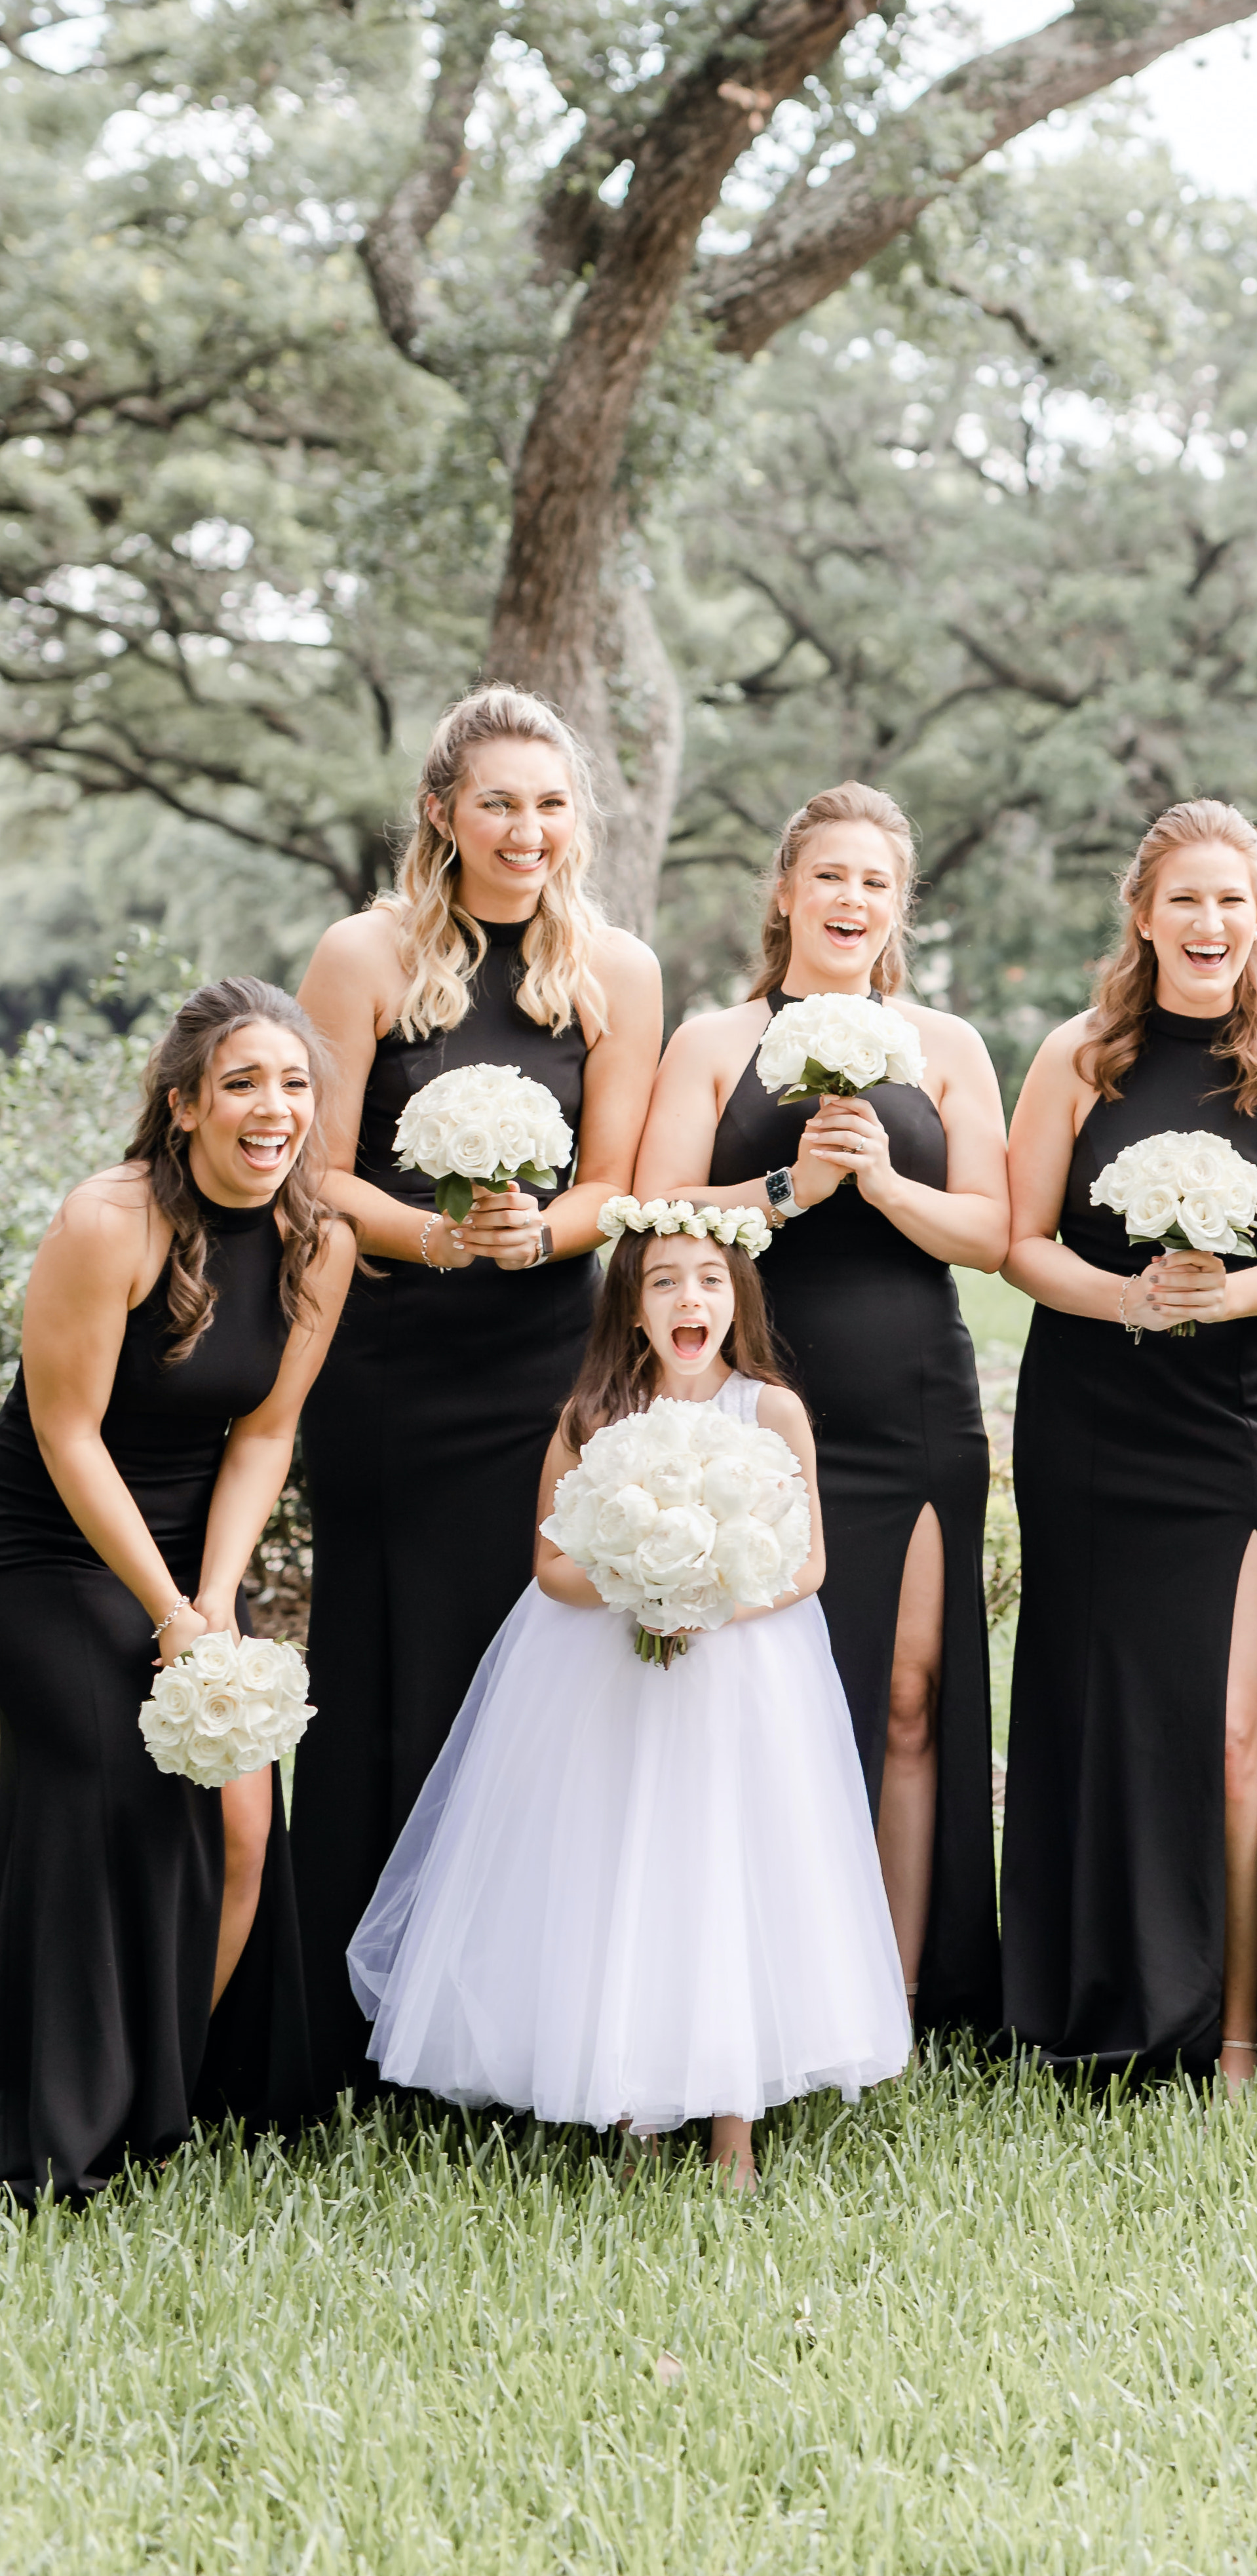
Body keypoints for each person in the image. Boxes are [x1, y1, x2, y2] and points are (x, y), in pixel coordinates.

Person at [347, 1202, 909, 2190]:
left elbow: (809, 1562)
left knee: (731, 1874)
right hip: (608, 1680)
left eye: (708, 1280)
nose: (689, 1298)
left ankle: (735, 2126)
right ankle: (631, 2109)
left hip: (743, 1678)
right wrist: (639, 1587)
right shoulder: (596, 1417)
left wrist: (712, 1603)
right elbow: (552, 1565)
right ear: (631, 1308)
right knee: (625, 1871)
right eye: (663, 1282)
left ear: (737, 1298)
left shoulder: (769, 1410)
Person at [291, 685, 662, 2108]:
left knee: (521, 1686)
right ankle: (356, 2041)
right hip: (390, 1368)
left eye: (550, 803)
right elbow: (316, 1174)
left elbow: (612, 1183)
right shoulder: (363, 953)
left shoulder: (616, 968)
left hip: (537, 1368)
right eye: (497, 801)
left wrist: (534, 1233)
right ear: (441, 809)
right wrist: (431, 1231)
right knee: (388, 1670)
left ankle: (509, 2045)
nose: (525, 829)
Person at [633, 783, 1005, 2032]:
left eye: (877, 884)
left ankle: (890, 1995)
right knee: (762, 1703)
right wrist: (792, 1186)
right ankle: (756, 1988)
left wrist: (888, 1185)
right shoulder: (713, 1042)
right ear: (785, 892)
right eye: (830, 877)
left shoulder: (945, 1046)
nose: (853, 901)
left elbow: (996, 1233)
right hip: (754, 1401)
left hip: (915, 1401)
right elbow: (654, 1214)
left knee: (908, 1698)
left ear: (899, 908)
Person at [999, 800, 1257, 2090]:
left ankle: (1240, 2025)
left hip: (1230, 1421)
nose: (1208, 924)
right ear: (1142, 914)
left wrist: (1221, 1294)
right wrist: (1123, 1296)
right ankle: (1090, 1998)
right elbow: (1018, 1239)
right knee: (1097, 1711)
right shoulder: (1076, 1055)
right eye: (1183, 900)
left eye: (1231, 902)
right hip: (1089, 1412)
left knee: (1226, 1726)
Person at [0, 979, 355, 2200]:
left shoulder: (324, 1240)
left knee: (246, 1823)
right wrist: (170, 1616)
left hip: (194, 1559)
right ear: (184, 1102)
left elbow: (263, 1435)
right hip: (47, 1549)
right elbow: (66, 1434)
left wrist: (213, 1609)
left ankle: (165, 2097)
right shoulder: (112, 1220)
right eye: (245, 1083)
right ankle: (68, 2113)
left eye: (295, 1084)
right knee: (118, 1775)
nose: (275, 1110)